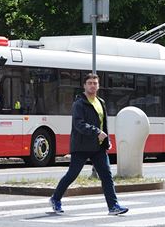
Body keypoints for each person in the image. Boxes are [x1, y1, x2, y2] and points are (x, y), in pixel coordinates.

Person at [49, 73, 128, 215]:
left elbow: (103, 124)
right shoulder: (79, 103)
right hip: (81, 146)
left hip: (98, 147)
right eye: (90, 83)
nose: (92, 85)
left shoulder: (101, 102)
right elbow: (79, 124)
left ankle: (113, 206)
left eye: (95, 83)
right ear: (84, 85)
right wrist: (96, 132)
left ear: (98, 86)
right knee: (72, 174)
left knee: (106, 175)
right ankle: (55, 198)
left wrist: (106, 139)